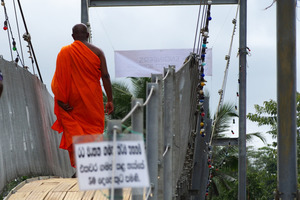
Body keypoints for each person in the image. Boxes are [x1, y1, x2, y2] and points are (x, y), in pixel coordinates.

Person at [51, 23, 114, 169]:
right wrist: (110, 99)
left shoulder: (64, 52)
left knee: (75, 132)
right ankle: (93, 165)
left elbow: (58, 80)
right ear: (87, 35)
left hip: (72, 101)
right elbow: (105, 76)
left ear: (73, 37)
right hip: (93, 99)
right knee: (94, 131)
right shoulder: (98, 52)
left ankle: (81, 168)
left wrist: (60, 100)